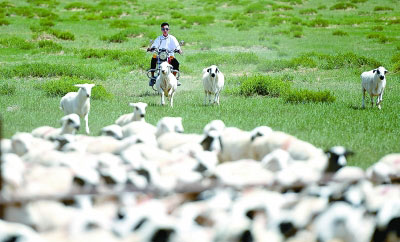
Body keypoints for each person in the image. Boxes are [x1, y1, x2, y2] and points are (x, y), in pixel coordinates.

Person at [147, 22, 183, 86]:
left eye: (166, 29)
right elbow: (154, 45)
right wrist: (151, 48)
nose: (165, 30)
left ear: (169, 29)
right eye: (163, 29)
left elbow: (177, 46)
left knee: (176, 63)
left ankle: (175, 78)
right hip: (160, 55)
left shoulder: (172, 38)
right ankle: (152, 77)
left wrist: (179, 50)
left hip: (169, 55)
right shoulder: (159, 38)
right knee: (153, 58)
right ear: (161, 30)